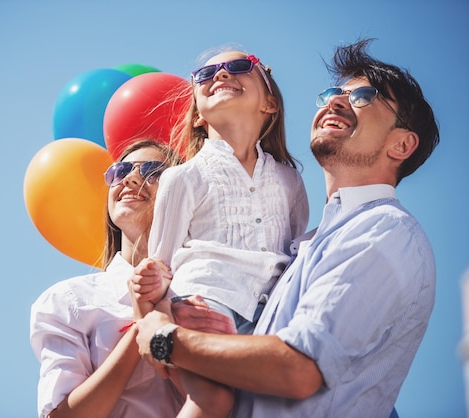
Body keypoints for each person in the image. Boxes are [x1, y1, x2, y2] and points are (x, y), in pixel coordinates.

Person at [133, 38, 439, 418]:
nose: (335, 101)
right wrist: (203, 332)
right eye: (331, 93)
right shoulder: (304, 249)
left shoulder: (383, 232)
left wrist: (166, 339)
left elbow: (297, 369)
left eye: (363, 95)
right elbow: (159, 268)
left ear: (403, 144)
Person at [129, 48, 309, 418]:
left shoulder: (291, 180)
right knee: (214, 401)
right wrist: (159, 302)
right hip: (204, 302)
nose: (222, 75)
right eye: (206, 74)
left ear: (270, 104)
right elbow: (162, 264)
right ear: (197, 115)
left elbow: (293, 253)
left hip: (272, 316)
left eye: (239, 67)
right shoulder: (182, 176)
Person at [29, 140, 187, 418]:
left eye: (154, 171)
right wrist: (145, 325)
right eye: (120, 170)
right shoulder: (70, 300)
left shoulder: (204, 290)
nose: (131, 178)